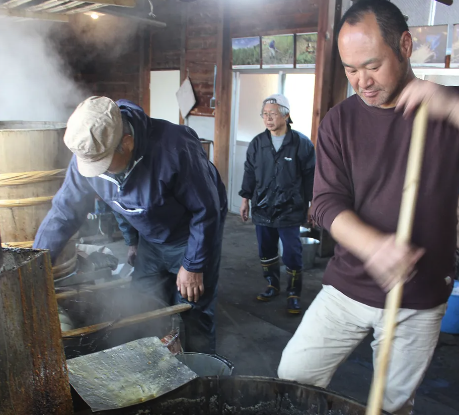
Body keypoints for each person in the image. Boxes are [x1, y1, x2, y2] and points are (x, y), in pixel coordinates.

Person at [278, 0, 459, 415]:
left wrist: (448, 105)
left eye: (372, 65)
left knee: (390, 414)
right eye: (350, 69)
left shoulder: (445, 111)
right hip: (347, 286)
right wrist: (373, 246)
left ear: (406, 45)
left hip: (417, 296)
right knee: (293, 376)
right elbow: (324, 202)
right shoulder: (339, 122)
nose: (362, 81)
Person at [34, 96, 227, 354]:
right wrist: (36, 267)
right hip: (151, 238)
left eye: (103, 164)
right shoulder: (88, 152)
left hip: (189, 236)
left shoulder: (175, 147)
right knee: (142, 304)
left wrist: (193, 265)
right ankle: (155, 365)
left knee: (191, 310)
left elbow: (207, 209)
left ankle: (200, 374)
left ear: (127, 142)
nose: (98, 172)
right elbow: (64, 212)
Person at [239, 94, 316, 314]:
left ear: (286, 115)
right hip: (262, 207)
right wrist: (245, 199)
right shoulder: (258, 143)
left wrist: (313, 204)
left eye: (272, 114)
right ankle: (272, 285)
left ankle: (294, 293)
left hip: (291, 209)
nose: (268, 118)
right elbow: (249, 173)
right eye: (265, 114)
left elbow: (311, 176)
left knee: (292, 252)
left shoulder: (301, 143)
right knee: (266, 251)